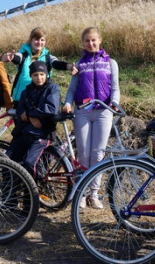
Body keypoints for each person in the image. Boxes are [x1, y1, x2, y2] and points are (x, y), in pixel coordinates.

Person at [62, 26, 120, 209]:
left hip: (103, 111)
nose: (90, 43)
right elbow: (72, 90)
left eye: (93, 40)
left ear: (100, 40)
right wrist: (68, 103)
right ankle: (81, 192)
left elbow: (115, 88)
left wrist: (114, 103)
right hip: (82, 112)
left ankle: (93, 194)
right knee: (84, 153)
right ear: (83, 43)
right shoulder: (78, 65)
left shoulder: (111, 63)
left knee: (98, 154)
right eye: (87, 40)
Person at [5, 61, 60, 179]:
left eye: (42, 74)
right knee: (7, 161)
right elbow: (20, 110)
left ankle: (34, 191)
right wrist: (31, 116)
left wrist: (29, 113)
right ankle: (11, 192)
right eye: (35, 75)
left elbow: (51, 109)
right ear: (31, 76)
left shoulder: (52, 89)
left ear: (46, 74)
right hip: (24, 132)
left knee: (29, 164)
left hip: (43, 133)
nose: (39, 78)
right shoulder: (26, 91)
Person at [2, 27, 77, 107]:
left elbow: (56, 63)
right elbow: (17, 57)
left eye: (42, 40)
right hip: (22, 97)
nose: (39, 42)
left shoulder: (47, 57)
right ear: (31, 40)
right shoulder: (23, 54)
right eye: (36, 39)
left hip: (41, 97)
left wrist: (69, 66)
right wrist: (10, 57)